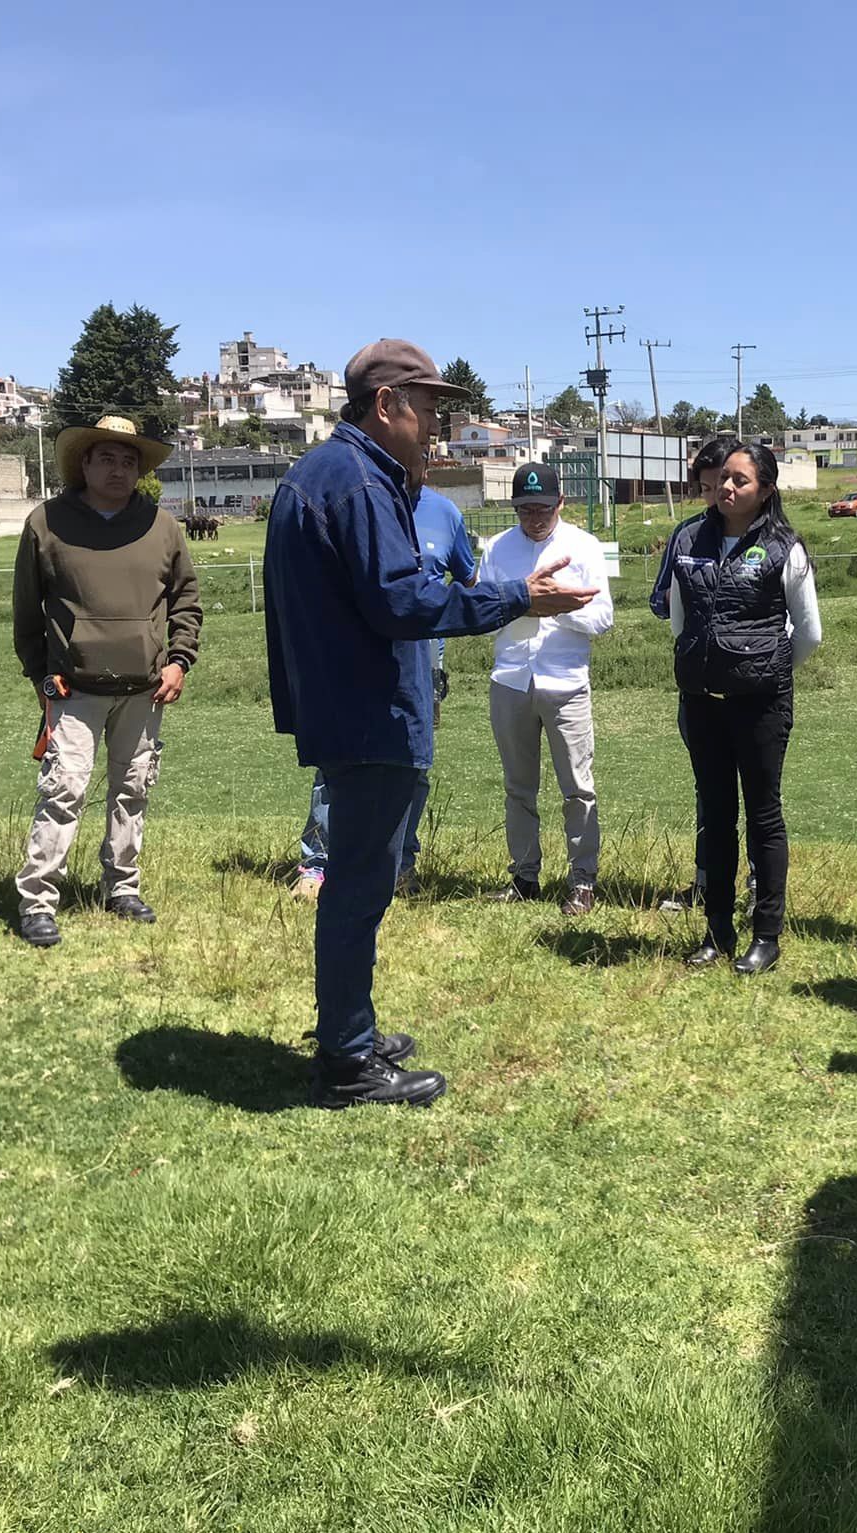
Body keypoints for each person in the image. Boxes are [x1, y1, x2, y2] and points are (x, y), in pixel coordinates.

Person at [264, 339, 595, 1110]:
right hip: (370, 711)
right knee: (359, 885)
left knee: (362, 879)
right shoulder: (359, 484)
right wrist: (519, 598)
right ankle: (347, 1062)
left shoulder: (328, 475)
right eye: (431, 406)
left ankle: (352, 1026)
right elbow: (405, 602)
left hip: (349, 706)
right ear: (388, 405)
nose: (439, 423)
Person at [11, 414, 201, 949]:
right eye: (106, 458)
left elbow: (186, 600)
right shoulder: (46, 524)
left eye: (128, 461)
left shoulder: (162, 527)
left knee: (133, 789)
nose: (118, 469)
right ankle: (39, 900)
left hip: (145, 688)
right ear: (84, 464)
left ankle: (121, 887)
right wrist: (39, 675)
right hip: (73, 688)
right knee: (63, 788)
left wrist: (179, 661)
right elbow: (27, 612)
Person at [665, 441, 822, 974]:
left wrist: (766, 673)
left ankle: (767, 936)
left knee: (763, 816)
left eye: (741, 481)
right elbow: (679, 621)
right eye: (723, 479)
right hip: (703, 703)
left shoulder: (784, 547)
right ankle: (716, 932)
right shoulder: (687, 538)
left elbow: (809, 633)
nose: (727, 488)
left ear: (767, 490)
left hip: (761, 706)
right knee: (715, 817)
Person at [293, 482, 476, 901]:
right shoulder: (363, 500)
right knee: (336, 762)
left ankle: (400, 865)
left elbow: (466, 580)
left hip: (423, 664)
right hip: (355, 655)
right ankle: (317, 864)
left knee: (414, 766)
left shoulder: (446, 513)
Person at [481, 463, 614, 913]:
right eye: (524, 509)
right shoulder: (498, 548)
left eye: (542, 508)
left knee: (577, 786)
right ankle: (524, 875)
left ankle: (582, 878)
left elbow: (602, 618)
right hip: (511, 679)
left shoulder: (584, 546)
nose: (534, 518)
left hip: (565, 682)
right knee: (518, 786)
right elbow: (483, 613)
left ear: (560, 503)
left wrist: (556, 606)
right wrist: (524, 601)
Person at [652, 434, 737, 912]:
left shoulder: (773, 538)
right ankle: (707, 882)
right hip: (699, 687)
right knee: (710, 789)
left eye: (723, 483)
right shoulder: (687, 536)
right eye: (705, 488)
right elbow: (659, 600)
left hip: (756, 689)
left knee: (762, 796)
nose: (715, 497)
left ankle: (757, 885)